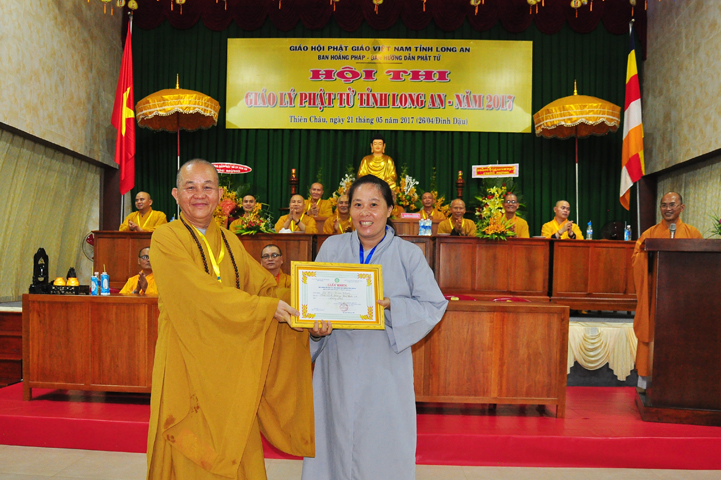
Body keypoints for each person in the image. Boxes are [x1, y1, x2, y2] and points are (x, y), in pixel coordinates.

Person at [146, 159, 314, 480]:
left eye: (207, 187)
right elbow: (198, 293)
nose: (199, 194)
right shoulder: (165, 238)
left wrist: (309, 303)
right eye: (190, 187)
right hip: (186, 357)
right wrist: (263, 309)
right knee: (191, 449)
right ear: (176, 195)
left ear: (220, 195)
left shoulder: (230, 240)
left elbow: (264, 288)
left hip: (231, 363)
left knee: (234, 441)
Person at [302, 175, 448, 480]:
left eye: (373, 204)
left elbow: (434, 305)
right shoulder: (331, 248)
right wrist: (314, 331)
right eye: (357, 205)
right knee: (333, 436)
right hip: (336, 363)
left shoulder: (409, 254)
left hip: (385, 365)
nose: (364, 213)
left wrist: (394, 306)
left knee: (383, 440)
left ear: (389, 209)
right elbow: (313, 303)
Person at [632, 192, 702, 389]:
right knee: (651, 333)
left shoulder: (692, 234)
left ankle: (681, 383)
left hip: (682, 298)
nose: (667, 209)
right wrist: (648, 258)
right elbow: (636, 259)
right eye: (664, 205)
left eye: (672, 204)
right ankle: (646, 381)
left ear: (682, 207)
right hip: (655, 296)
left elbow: (700, 264)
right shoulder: (650, 234)